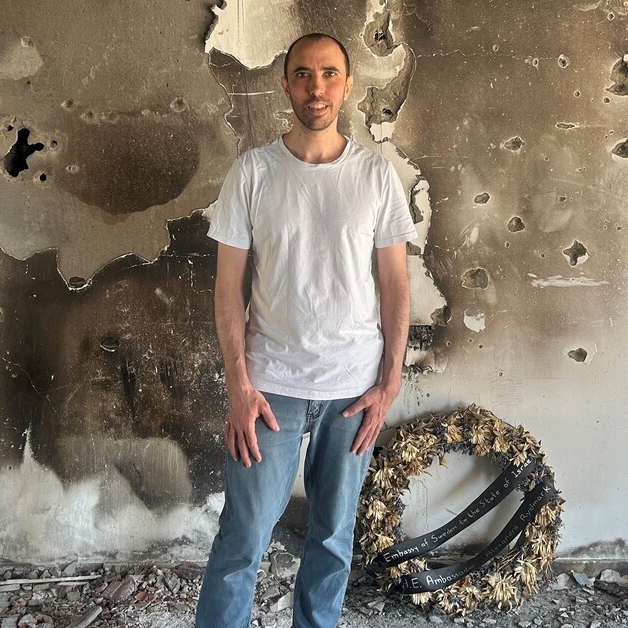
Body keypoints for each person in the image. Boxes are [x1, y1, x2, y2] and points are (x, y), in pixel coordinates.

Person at [195, 32, 417, 628]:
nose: (316, 87)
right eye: (302, 74)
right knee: (242, 539)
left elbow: (396, 285)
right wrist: (238, 387)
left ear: (347, 85)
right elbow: (228, 290)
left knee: (332, 541)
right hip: (270, 391)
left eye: (328, 73)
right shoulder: (252, 172)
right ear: (285, 85)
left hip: (353, 391)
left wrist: (390, 382)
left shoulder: (376, 175)